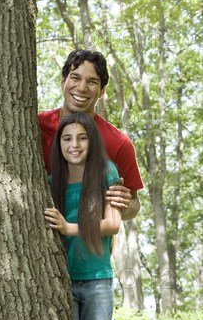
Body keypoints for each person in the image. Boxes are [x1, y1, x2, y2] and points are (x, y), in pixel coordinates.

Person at [45, 112, 121, 320]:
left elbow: (113, 223)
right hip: (62, 282)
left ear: (92, 140)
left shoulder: (106, 172)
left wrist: (68, 227)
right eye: (66, 138)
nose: (74, 145)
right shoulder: (51, 181)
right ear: (58, 144)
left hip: (97, 281)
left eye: (81, 138)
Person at [39, 49, 143, 220]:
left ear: (102, 92)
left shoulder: (118, 142)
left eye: (92, 81)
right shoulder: (38, 125)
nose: (82, 87)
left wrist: (123, 204)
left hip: (89, 243)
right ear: (63, 82)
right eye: (75, 78)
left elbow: (134, 204)